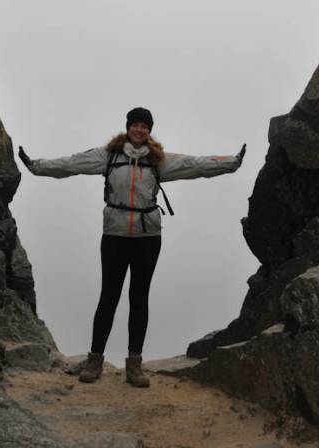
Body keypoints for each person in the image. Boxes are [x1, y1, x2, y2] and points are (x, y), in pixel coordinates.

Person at [18, 107, 246, 388]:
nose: (140, 130)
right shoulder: (108, 155)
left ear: (149, 130)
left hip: (148, 237)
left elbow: (195, 165)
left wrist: (231, 162)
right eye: (136, 125)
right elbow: (72, 164)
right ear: (127, 127)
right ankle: (94, 360)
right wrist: (36, 166)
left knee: (139, 298)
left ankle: (134, 366)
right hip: (114, 234)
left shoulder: (158, 160)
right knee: (109, 297)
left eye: (145, 126)